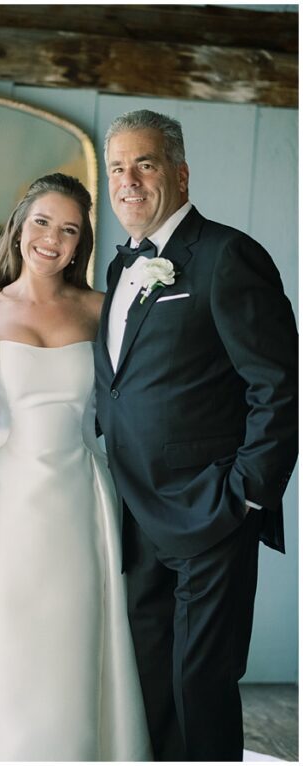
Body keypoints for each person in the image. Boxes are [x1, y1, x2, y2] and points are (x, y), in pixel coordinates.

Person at [94, 109, 298, 760]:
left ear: (180, 173)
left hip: (212, 513)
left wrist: (245, 494)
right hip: (136, 516)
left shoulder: (227, 256)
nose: (128, 181)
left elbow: (279, 385)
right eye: (117, 168)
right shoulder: (116, 270)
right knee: (150, 681)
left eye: (144, 164)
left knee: (200, 684)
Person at [0, 173, 151, 760]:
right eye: (43, 223)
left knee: (70, 637)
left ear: (81, 245)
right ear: (21, 227)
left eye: (69, 230)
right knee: (1, 636)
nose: (53, 239)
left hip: (81, 496)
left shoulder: (105, 312)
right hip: (2, 499)